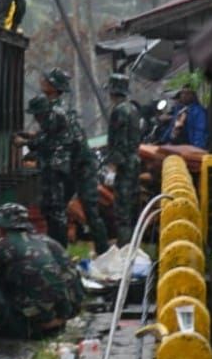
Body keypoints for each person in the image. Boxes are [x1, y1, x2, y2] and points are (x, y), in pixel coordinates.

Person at [0, 203, 84, 338]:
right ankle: (51, 322)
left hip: (29, 326)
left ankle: (9, 326)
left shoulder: (2, 246)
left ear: (2, 227)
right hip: (61, 319)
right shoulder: (49, 242)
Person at [39, 68, 109, 251]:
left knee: (86, 211)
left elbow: (58, 142)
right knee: (61, 210)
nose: (42, 82)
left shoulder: (56, 110)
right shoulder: (57, 108)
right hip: (75, 166)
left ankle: (98, 251)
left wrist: (31, 143)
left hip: (81, 167)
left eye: (46, 80)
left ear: (53, 87)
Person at [16, 94, 72, 247]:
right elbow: (45, 136)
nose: (36, 118)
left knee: (55, 210)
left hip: (55, 168)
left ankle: (59, 245)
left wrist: (24, 142)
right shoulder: (54, 115)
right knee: (49, 208)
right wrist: (29, 136)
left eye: (36, 114)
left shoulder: (53, 116)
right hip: (53, 167)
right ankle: (54, 243)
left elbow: (46, 141)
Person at [104, 73, 142, 245]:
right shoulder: (133, 109)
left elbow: (119, 141)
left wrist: (112, 167)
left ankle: (125, 246)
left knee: (122, 208)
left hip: (124, 164)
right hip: (134, 161)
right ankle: (132, 243)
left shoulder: (119, 111)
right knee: (131, 204)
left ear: (113, 92)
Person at [167, 83, 207, 148]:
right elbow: (171, 127)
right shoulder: (179, 110)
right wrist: (163, 141)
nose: (184, 96)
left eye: (187, 93)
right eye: (182, 93)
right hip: (174, 145)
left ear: (193, 95)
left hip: (189, 146)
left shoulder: (198, 111)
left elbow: (200, 131)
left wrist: (197, 148)